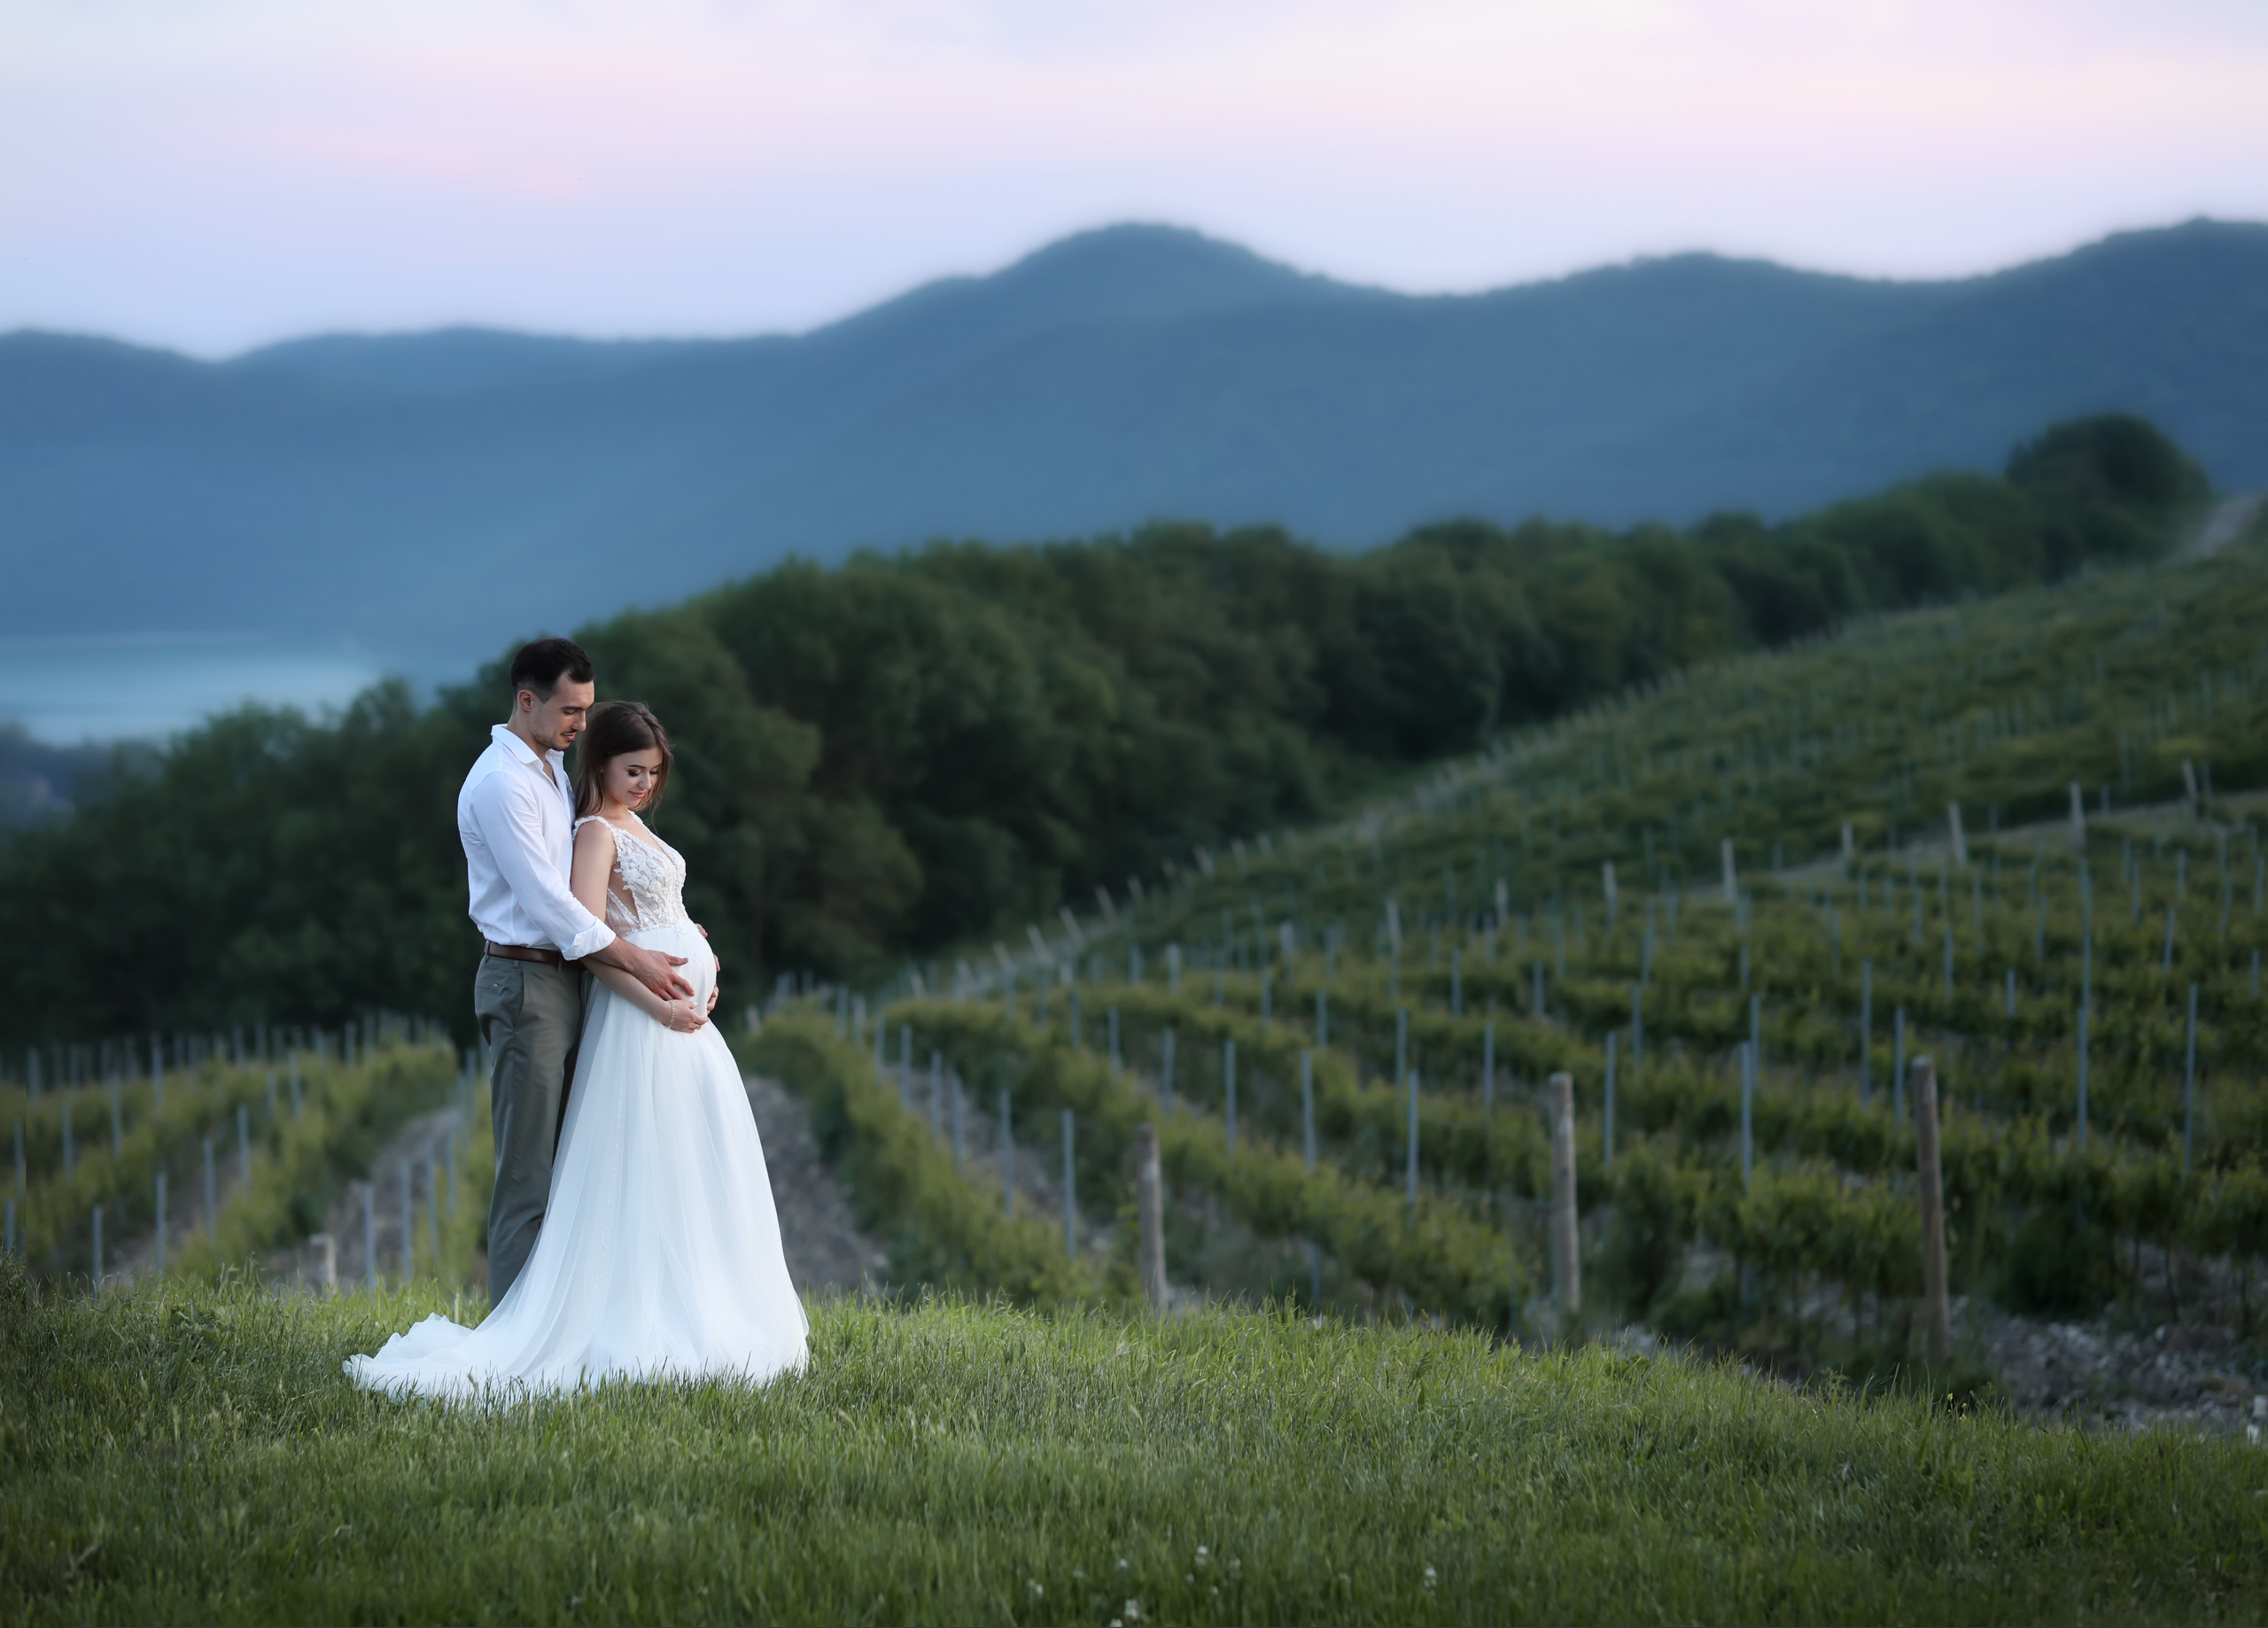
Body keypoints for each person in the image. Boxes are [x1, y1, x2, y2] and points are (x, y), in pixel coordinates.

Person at [346, 686, 808, 1399]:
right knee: (635, 1159)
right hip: (643, 1020)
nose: (646, 783)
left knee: (691, 1158)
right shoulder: (594, 831)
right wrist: (659, 1002)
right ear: (601, 764)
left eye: (654, 771)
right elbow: (593, 944)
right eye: (633, 770)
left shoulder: (636, 826)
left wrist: (701, 966)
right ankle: (598, 1315)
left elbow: (668, 915)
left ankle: (700, 1297)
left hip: (683, 1017)